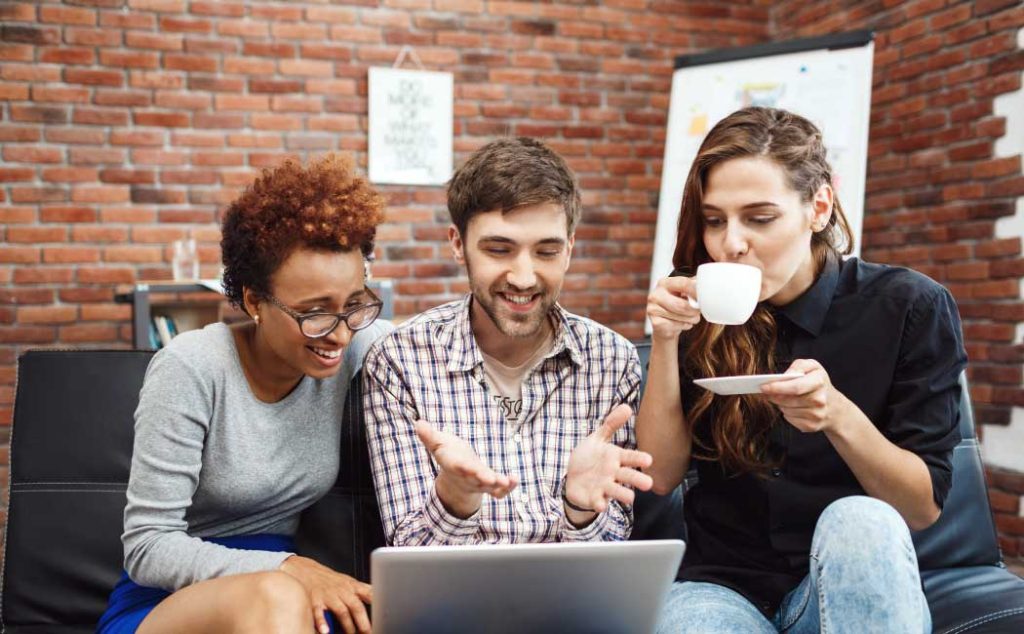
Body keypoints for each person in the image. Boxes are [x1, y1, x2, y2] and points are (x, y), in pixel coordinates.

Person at [640, 107, 966, 633]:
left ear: (818, 207)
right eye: (715, 219)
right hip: (723, 587)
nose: (731, 243)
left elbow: (921, 509)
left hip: (845, 582)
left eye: (760, 218)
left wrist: (837, 415)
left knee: (861, 519)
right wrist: (665, 339)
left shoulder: (909, 307)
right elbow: (659, 476)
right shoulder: (699, 306)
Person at [97, 155, 393, 634]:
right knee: (277, 597)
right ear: (254, 301)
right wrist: (286, 569)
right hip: (172, 600)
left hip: (296, 591)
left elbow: (449, 340)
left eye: (353, 304)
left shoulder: (357, 342)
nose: (338, 334)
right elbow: (148, 545)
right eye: (314, 312)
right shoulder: (191, 367)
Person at [363, 137, 653, 546]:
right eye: (499, 249)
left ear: (569, 250)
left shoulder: (612, 361)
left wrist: (581, 510)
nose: (523, 277)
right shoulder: (400, 360)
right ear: (457, 244)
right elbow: (412, 554)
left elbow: (610, 553)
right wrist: (455, 499)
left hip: (572, 603)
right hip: (454, 605)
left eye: (546, 252)